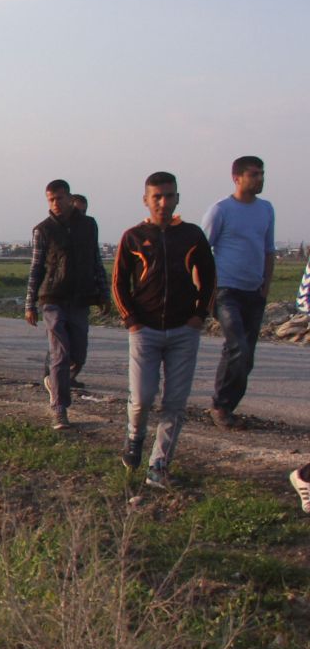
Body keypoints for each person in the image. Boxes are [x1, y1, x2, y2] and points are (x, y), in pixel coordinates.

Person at [113, 171, 217, 489]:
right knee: (142, 398)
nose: (163, 202)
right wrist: (131, 319)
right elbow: (118, 282)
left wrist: (200, 315)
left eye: (169, 195)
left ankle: (158, 465)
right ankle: (134, 439)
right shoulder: (133, 237)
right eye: (156, 196)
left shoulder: (192, 235)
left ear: (177, 199)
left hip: (184, 330)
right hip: (145, 331)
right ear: (146, 199)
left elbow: (210, 276)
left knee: (175, 403)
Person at [25, 179, 107, 430]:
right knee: (60, 351)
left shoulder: (88, 225)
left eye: (60, 198)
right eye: (51, 199)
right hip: (52, 297)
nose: (55, 203)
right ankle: (59, 408)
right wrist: (30, 303)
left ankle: (55, 380)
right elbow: (36, 268)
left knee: (78, 353)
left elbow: (96, 260)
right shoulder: (43, 230)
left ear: (70, 198)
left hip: (80, 297)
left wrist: (103, 293)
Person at [202, 155, 275, 431]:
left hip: (254, 292)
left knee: (246, 355)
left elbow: (268, 250)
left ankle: (227, 405)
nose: (260, 179)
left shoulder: (266, 209)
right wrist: (208, 289)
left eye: (262, 174)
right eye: (254, 174)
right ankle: (220, 406)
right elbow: (201, 250)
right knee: (237, 347)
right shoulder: (221, 210)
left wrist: (266, 284)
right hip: (226, 291)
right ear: (237, 178)